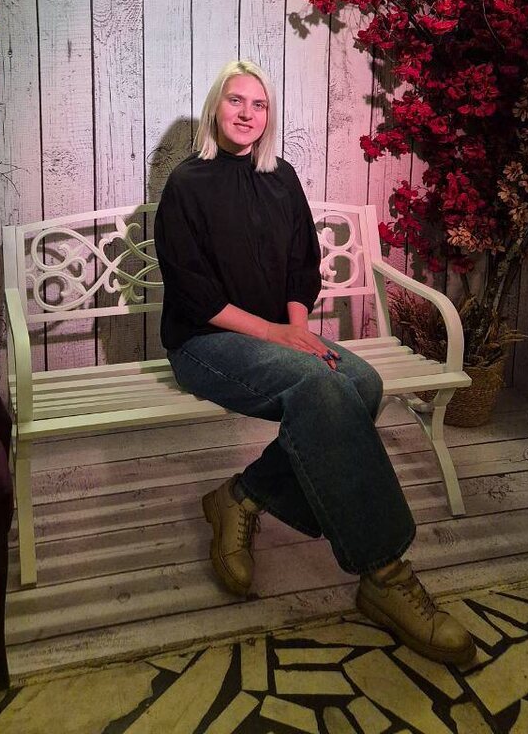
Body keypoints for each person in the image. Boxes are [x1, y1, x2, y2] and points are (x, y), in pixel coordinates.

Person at [154, 59, 475, 667]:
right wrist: (277, 335)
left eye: (259, 104)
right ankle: (384, 574)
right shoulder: (186, 185)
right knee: (320, 385)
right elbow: (194, 295)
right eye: (236, 101)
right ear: (215, 108)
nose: (247, 113)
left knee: (362, 380)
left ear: (268, 117)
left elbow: (303, 263)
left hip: (278, 333)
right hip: (205, 343)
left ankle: (242, 496)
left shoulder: (281, 178)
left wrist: (297, 329)